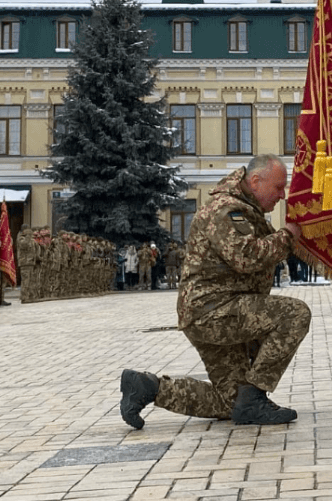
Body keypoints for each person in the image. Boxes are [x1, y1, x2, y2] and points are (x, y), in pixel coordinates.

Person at [120, 154, 309, 428]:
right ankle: (255, 398)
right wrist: (289, 235)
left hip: (215, 311)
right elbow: (247, 257)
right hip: (214, 311)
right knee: (295, 314)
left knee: (232, 403)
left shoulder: (245, 209)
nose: (282, 195)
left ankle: (148, 388)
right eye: (278, 187)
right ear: (256, 181)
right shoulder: (227, 210)